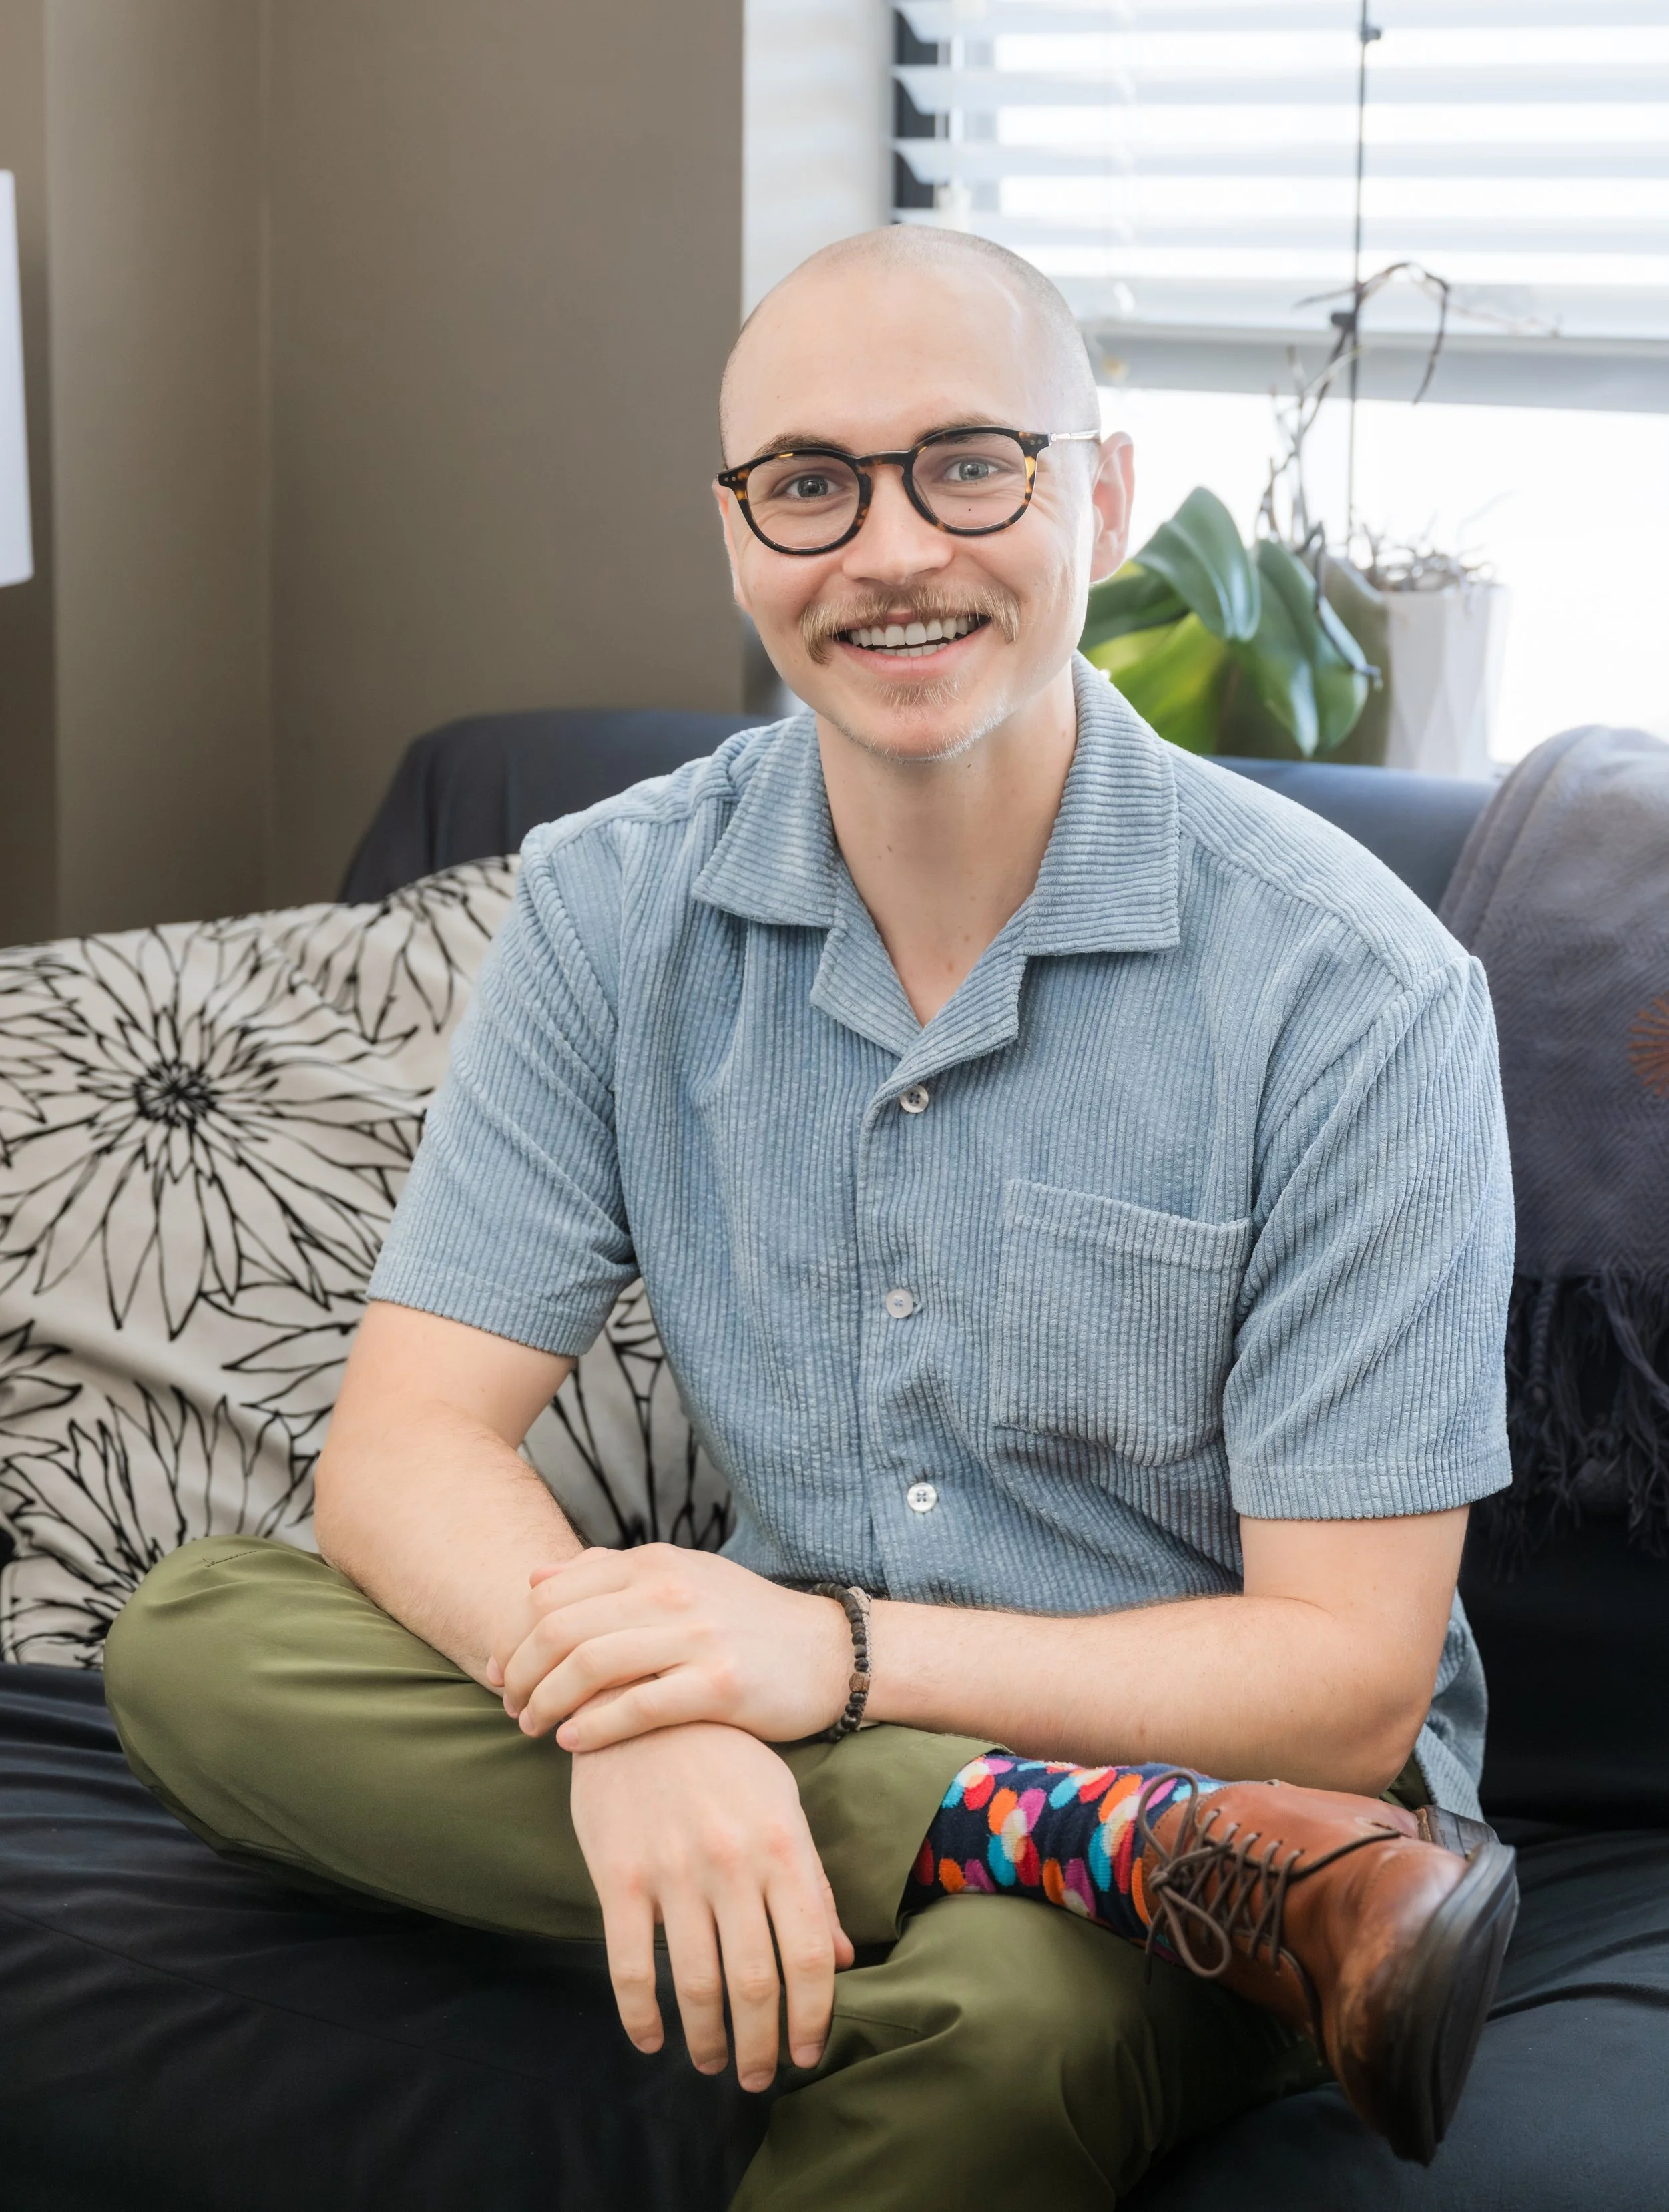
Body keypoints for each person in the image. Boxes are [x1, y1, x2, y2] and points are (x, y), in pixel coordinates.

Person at [104, 226, 1519, 2209]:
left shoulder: (1351, 992)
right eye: (807, 483)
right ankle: (1041, 1836)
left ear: (1096, 498)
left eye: (967, 463)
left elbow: (1348, 1677)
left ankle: (1175, 1879)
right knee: (194, 1638)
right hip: (769, 1703)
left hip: (1248, 1794)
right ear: (737, 529)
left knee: (1008, 2036)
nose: (886, 549)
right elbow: (409, 1442)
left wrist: (822, 1666)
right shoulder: (610, 908)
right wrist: (643, 1738)